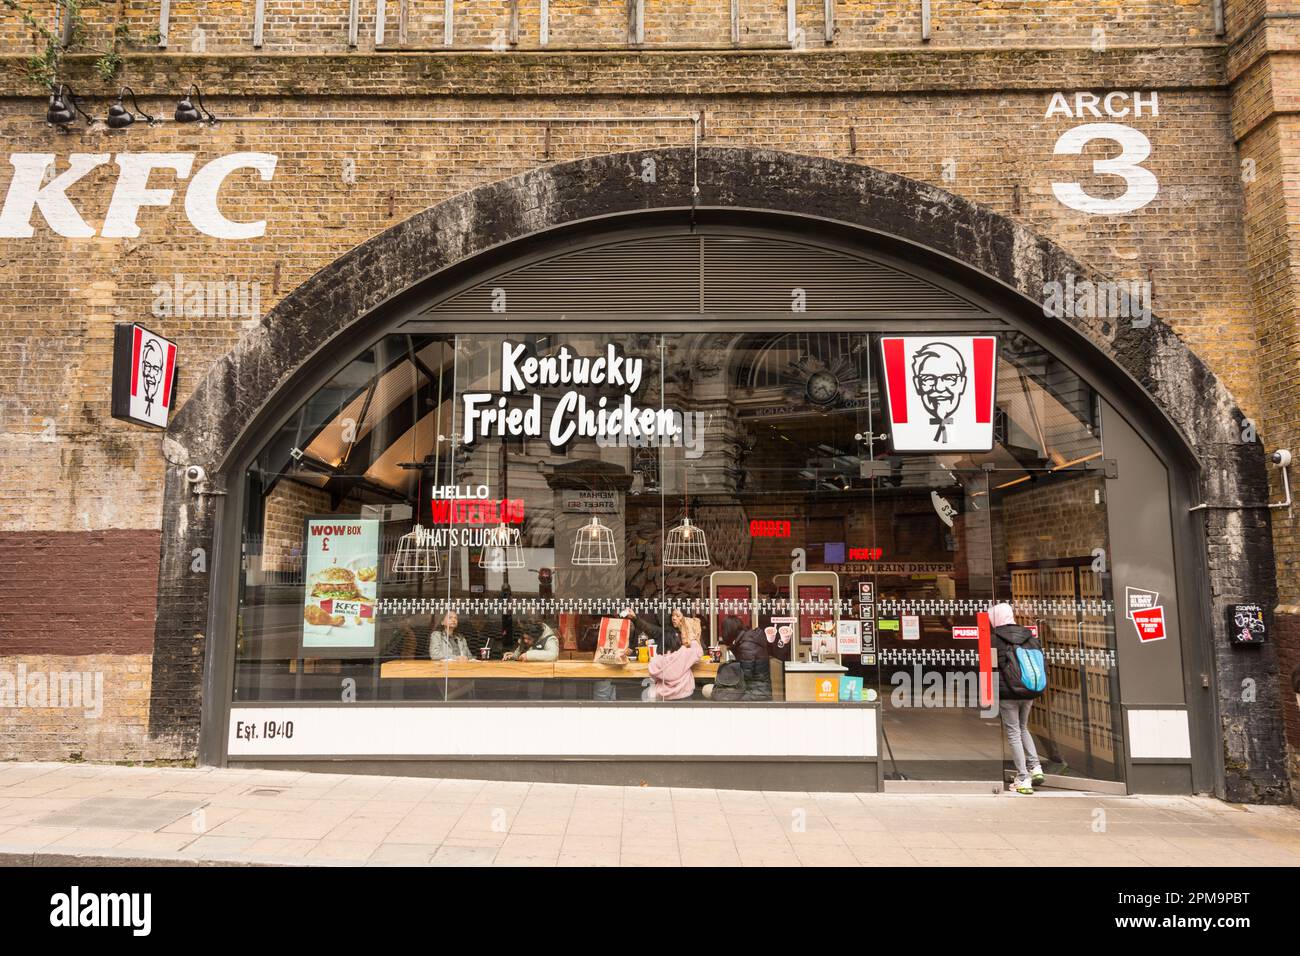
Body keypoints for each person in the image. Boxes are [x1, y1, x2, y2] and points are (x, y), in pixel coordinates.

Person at [990, 602, 1045, 795]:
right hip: (1029, 689)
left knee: (1013, 731)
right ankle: (1035, 767)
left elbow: (993, 666)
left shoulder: (996, 638)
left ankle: (1022, 778)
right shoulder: (1028, 636)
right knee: (1023, 727)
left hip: (1008, 693)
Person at [641, 613, 702, 702]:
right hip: (684, 695)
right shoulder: (684, 654)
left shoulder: (656, 660)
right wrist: (692, 639)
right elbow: (699, 651)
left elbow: (653, 674)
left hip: (663, 698)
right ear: (677, 640)